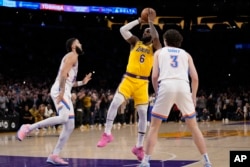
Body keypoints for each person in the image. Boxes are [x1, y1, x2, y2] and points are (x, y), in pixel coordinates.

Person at [138, 29, 212, 167]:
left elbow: (154, 76)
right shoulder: (186, 54)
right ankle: (207, 160)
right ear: (179, 42)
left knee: (154, 127)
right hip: (183, 86)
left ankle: (145, 161)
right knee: (194, 127)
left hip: (166, 84)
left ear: (165, 41)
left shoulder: (159, 53)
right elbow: (195, 78)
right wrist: (193, 96)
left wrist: (158, 92)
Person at [96, 8, 162, 161]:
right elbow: (122, 29)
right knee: (115, 103)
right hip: (129, 79)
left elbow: (157, 39)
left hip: (143, 83)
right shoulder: (135, 42)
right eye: (145, 31)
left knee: (143, 116)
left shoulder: (154, 48)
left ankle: (138, 147)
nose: (146, 32)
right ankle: (107, 133)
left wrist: (151, 23)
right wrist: (140, 20)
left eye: (149, 32)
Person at [16, 37, 92, 166]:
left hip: (64, 90)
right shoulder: (72, 55)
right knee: (63, 118)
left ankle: (54, 155)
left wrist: (82, 82)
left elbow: (69, 82)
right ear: (73, 46)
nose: (81, 44)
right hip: (59, 90)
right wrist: (62, 92)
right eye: (78, 42)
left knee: (70, 125)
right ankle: (28, 127)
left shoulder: (74, 58)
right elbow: (63, 74)